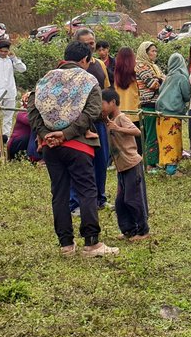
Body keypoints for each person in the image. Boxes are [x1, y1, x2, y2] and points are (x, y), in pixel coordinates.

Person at [28, 41, 117, 257]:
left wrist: (45, 134)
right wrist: (67, 134)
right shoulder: (88, 80)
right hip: (79, 146)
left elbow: (33, 107)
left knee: (59, 193)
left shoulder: (47, 78)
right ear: (85, 59)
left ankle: (66, 245)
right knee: (87, 191)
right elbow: (93, 111)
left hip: (50, 147)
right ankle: (92, 243)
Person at [102, 88, 149, 241]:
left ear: (113, 102)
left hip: (132, 164)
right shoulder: (108, 121)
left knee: (133, 199)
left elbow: (137, 132)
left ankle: (143, 231)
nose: (100, 106)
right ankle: (128, 230)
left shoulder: (122, 118)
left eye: (102, 103)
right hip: (121, 167)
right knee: (120, 202)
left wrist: (118, 128)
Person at [74, 29, 111, 206]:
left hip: (100, 121)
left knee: (101, 161)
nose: (90, 46)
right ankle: (76, 202)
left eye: (92, 42)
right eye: (86, 43)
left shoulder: (99, 65)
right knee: (80, 163)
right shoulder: (72, 68)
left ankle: (100, 198)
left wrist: (108, 109)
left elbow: (107, 89)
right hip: (79, 123)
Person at [156, 51, 191, 176]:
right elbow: (187, 95)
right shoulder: (181, 77)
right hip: (172, 114)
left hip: (160, 114)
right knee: (172, 140)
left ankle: (165, 165)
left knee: (164, 140)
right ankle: (171, 170)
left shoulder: (167, 77)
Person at [0, 40, 26, 137]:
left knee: (8, 116)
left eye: (5, 51)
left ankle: (5, 136)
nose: (3, 53)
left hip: (10, 92)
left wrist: (14, 58)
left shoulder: (11, 60)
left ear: (9, 51)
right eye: (1, 51)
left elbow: (23, 69)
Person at [135, 41, 165, 172]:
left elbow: (163, 79)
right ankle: (150, 164)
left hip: (156, 103)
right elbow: (153, 84)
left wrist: (161, 79)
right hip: (148, 103)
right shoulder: (141, 66)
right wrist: (161, 80)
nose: (155, 53)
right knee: (151, 134)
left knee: (156, 133)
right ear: (144, 53)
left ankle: (154, 161)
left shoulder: (153, 67)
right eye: (152, 51)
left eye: (155, 51)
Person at [113, 46, 140, 150]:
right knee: (137, 140)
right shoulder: (136, 70)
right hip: (134, 109)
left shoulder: (117, 73)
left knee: (124, 140)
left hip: (121, 110)